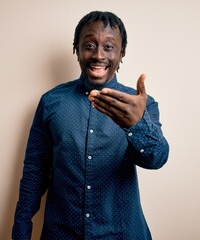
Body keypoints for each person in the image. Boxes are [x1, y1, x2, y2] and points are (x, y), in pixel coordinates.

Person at [12, 11, 169, 240]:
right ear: (76, 48)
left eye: (108, 47)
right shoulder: (51, 102)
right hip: (62, 234)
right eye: (89, 45)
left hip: (123, 234)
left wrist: (136, 124)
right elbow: (35, 173)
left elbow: (157, 159)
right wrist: (21, 231)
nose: (98, 55)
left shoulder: (140, 104)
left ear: (121, 52)